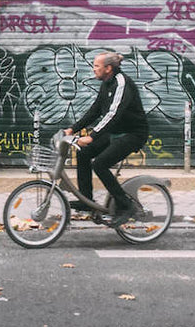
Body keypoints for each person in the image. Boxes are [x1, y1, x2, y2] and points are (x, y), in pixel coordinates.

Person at [63, 51, 149, 225]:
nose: (93, 69)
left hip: (132, 134)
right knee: (83, 153)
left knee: (100, 164)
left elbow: (113, 114)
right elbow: (95, 110)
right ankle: (86, 200)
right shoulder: (106, 83)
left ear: (108, 68)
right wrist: (72, 129)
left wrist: (92, 136)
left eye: (96, 66)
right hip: (116, 133)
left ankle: (126, 205)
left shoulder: (121, 83)